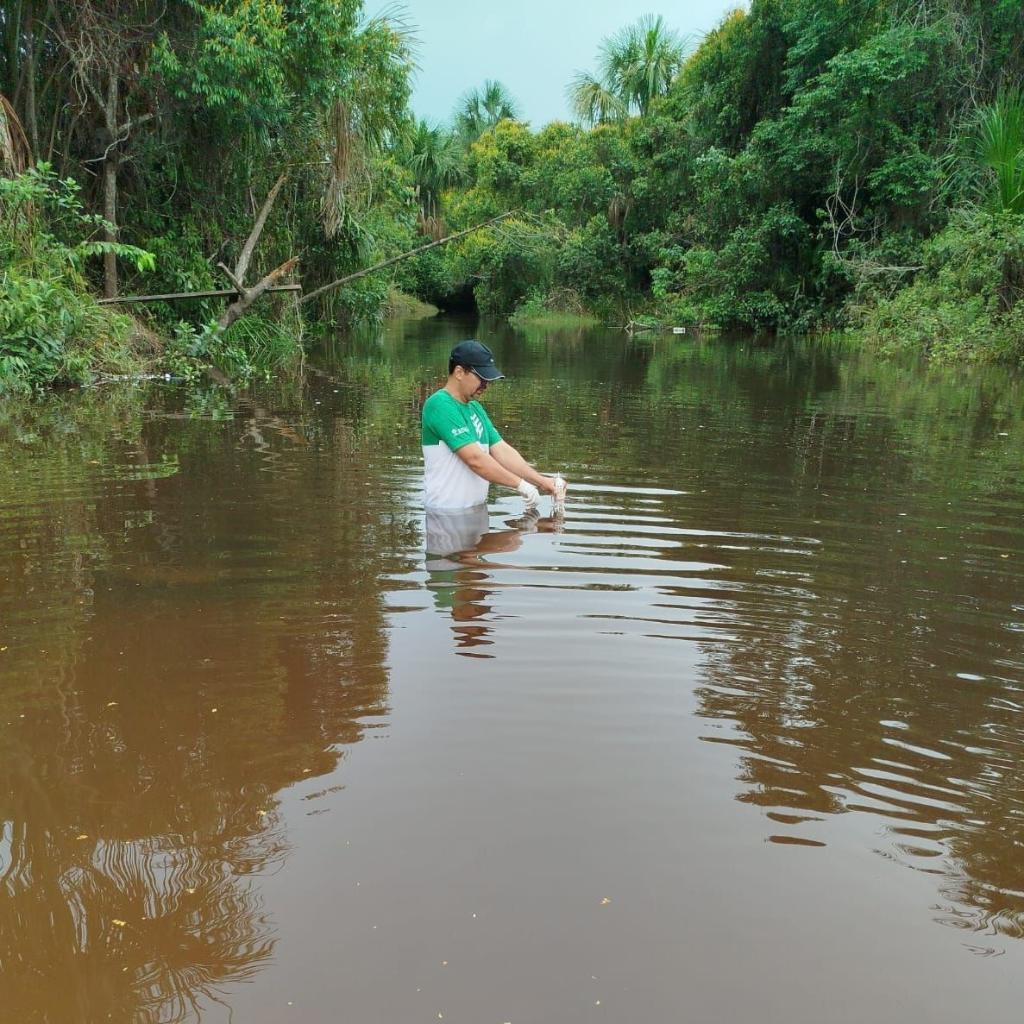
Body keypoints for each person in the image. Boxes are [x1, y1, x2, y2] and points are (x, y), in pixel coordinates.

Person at [421, 340, 566, 510]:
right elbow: (475, 459)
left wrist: (542, 482)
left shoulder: (475, 408)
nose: (486, 385)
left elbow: (502, 451)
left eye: (488, 380)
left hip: (476, 512)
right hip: (445, 516)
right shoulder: (439, 405)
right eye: (481, 378)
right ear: (459, 372)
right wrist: (521, 485)